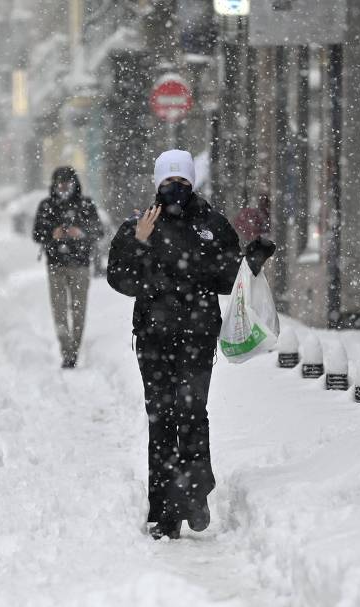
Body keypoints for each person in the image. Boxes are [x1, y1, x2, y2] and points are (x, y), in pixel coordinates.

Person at [107, 150, 276, 540]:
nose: (175, 188)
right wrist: (139, 242)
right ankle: (164, 512)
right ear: (157, 183)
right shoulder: (139, 224)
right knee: (161, 421)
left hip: (197, 337)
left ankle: (196, 494)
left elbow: (228, 280)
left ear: (192, 183)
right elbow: (121, 279)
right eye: (168, 181)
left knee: (192, 414)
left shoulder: (212, 225)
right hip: (152, 339)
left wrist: (251, 261)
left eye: (182, 181)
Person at [33, 166, 103, 368]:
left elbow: (98, 231)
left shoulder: (86, 204)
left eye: (67, 183)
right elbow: (36, 233)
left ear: (74, 184)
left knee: (79, 310)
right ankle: (67, 351)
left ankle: (75, 349)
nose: (63, 187)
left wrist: (80, 233)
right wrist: (51, 233)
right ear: (54, 185)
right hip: (55, 265)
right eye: (60, 184)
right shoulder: (46, 206)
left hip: (80, 265)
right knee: (59, 310)